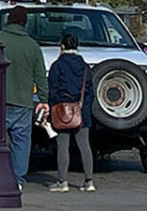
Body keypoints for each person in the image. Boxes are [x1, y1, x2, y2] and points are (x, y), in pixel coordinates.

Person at [0, 6, 49, 190]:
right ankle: (17, 180)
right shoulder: (32, 45)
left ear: (8, 20)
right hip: (23, 101)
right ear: (25, 23)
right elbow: (40, 76)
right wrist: (44, 100)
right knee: (21, 142)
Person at [47, 33, 95, 192]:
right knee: (85, 146)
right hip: (82, 110)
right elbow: (90, 91)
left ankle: (63, 181)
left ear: (62, 46)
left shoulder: (57, 66)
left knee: (63, 146)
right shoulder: (86, 66)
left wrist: (53, 106)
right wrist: (84, 107)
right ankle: (89, 181)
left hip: (62, 110)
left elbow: (52, 89)